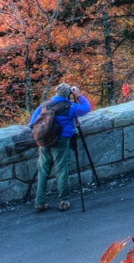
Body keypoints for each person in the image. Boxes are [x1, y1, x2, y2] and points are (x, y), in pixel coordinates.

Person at [29, 83, 91, 212]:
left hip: (44, 140)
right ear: (68, 94)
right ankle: (63, 200)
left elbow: (32, 122)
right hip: (61, 140)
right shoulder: (70, 107)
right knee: (62, 169)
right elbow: (86, 108)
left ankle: (40, 202)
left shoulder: (45, 105)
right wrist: (78, 95)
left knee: (43, 170)